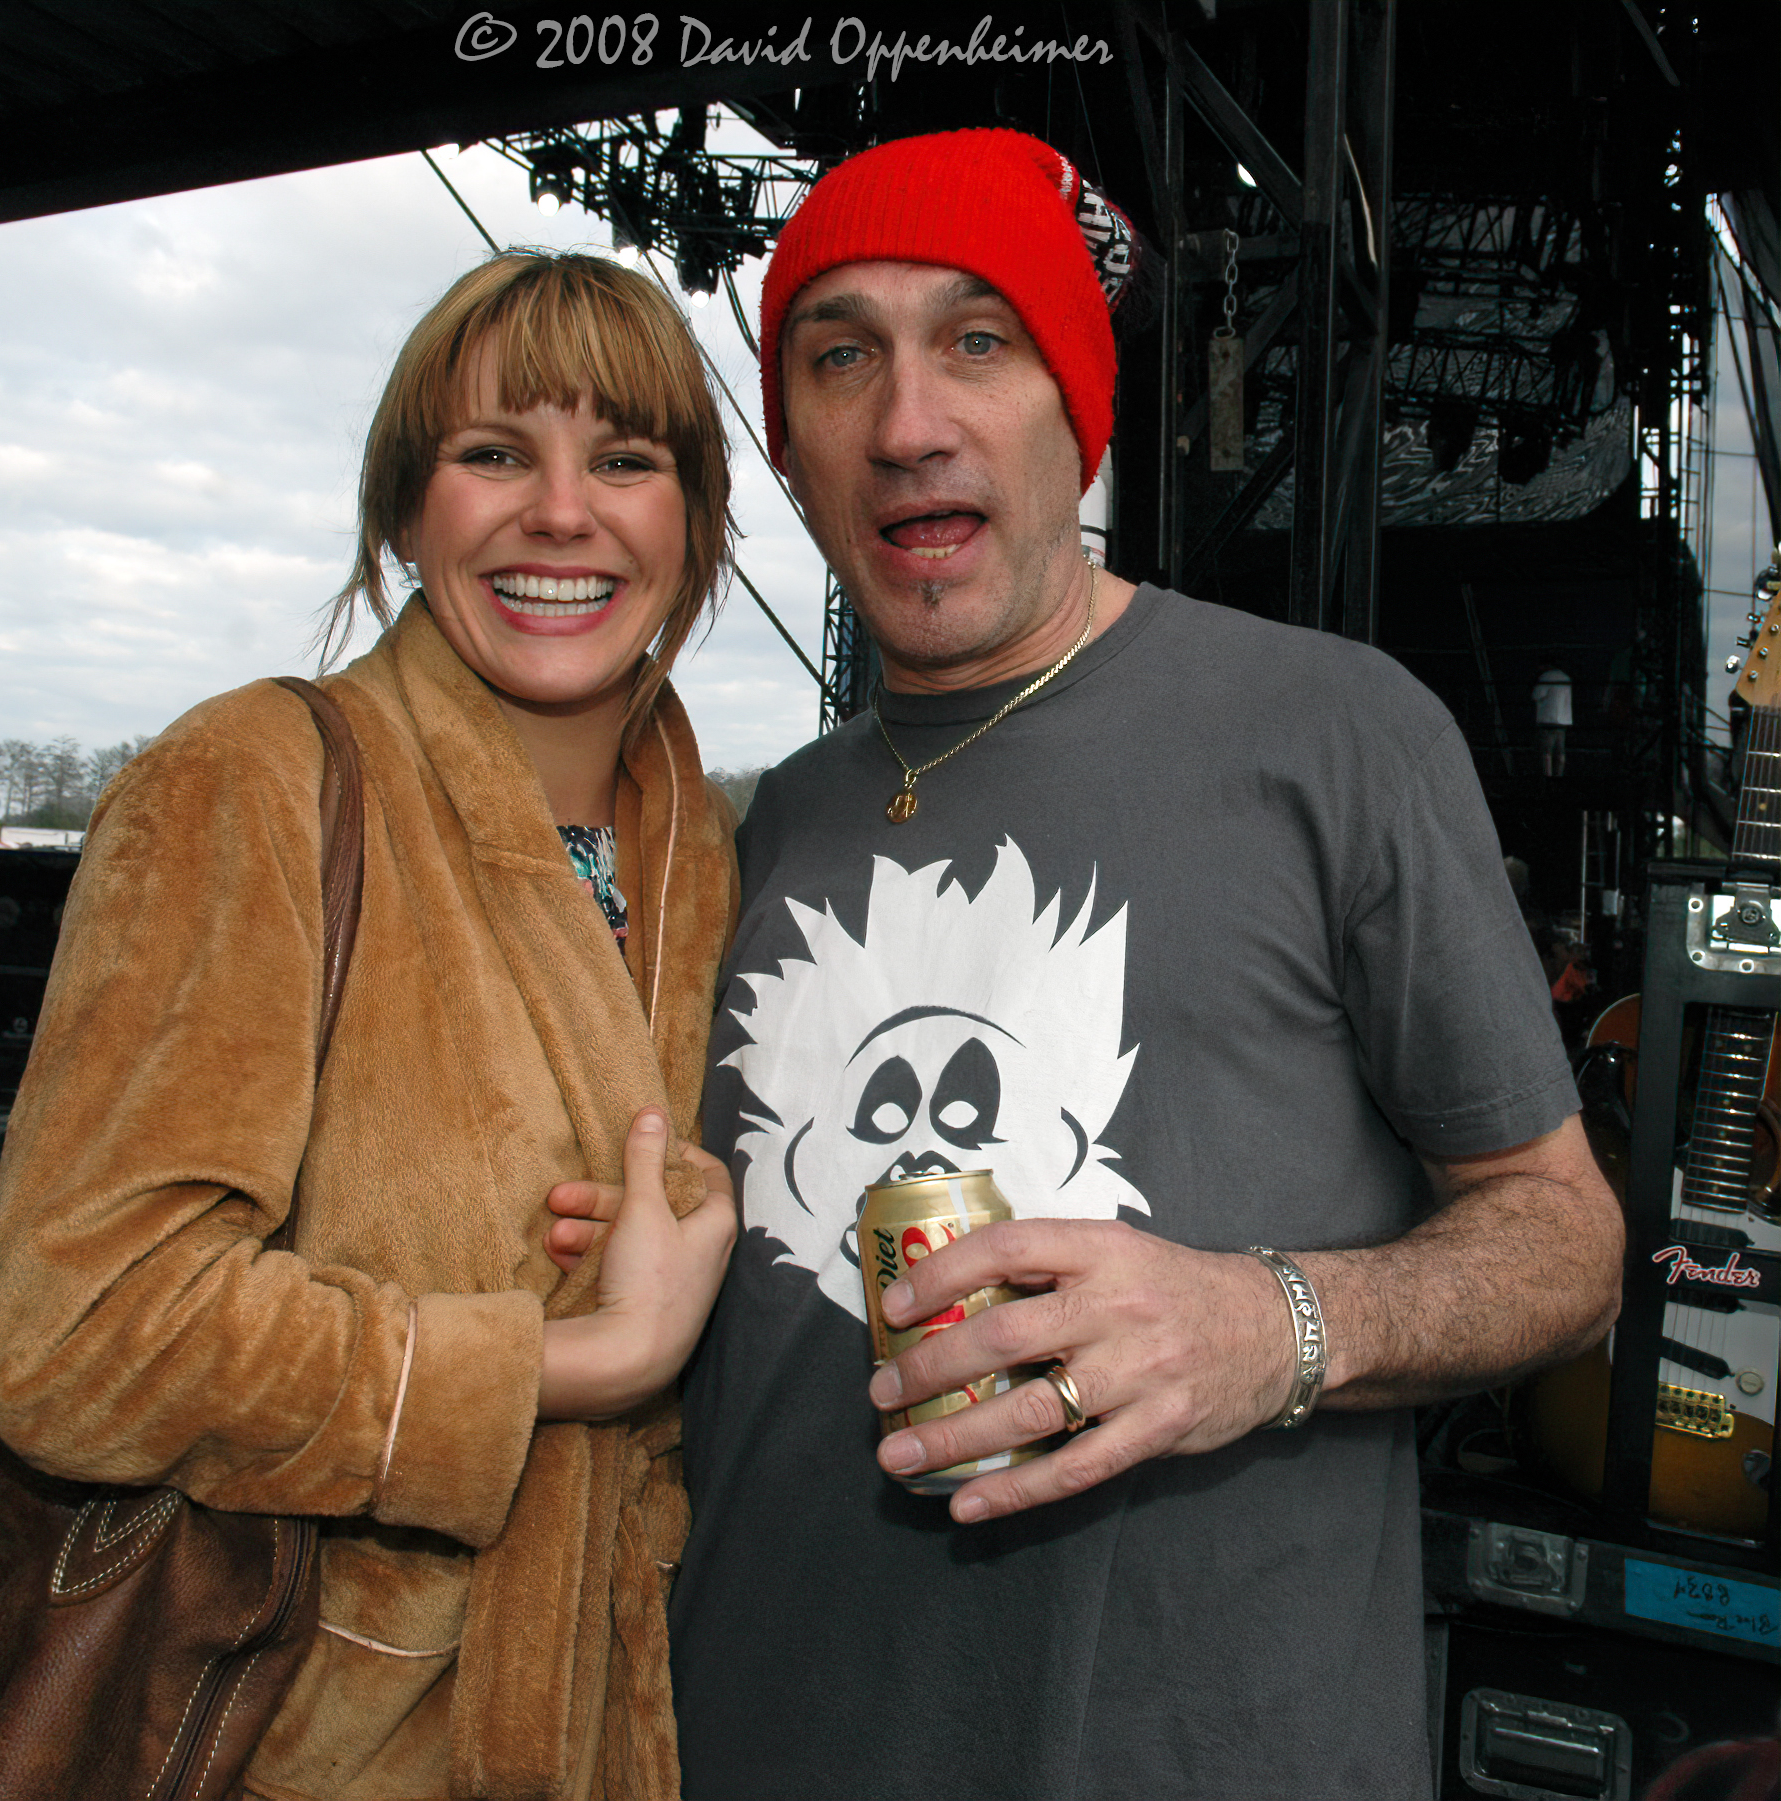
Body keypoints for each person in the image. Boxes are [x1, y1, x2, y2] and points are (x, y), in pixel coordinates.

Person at [548, 130, 1624, 1801]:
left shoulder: (1332, 732)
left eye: (979, 340)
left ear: (1077, 407)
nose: (910, 422)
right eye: (841, 356)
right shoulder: (737, 834)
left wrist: (1267, 1325)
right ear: (791, 444)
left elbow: (1566, 1241)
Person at [0, 252, 742, 1801]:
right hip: (305, 1736)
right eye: (492, 453)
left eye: (628, 459)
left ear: (694, 520)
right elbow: (73, 1335)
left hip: (625, 1719)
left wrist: (698, 1202)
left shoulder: (699, 843)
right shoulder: (253, 780)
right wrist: (569, 1358)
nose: (561, 512)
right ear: (406, 513)